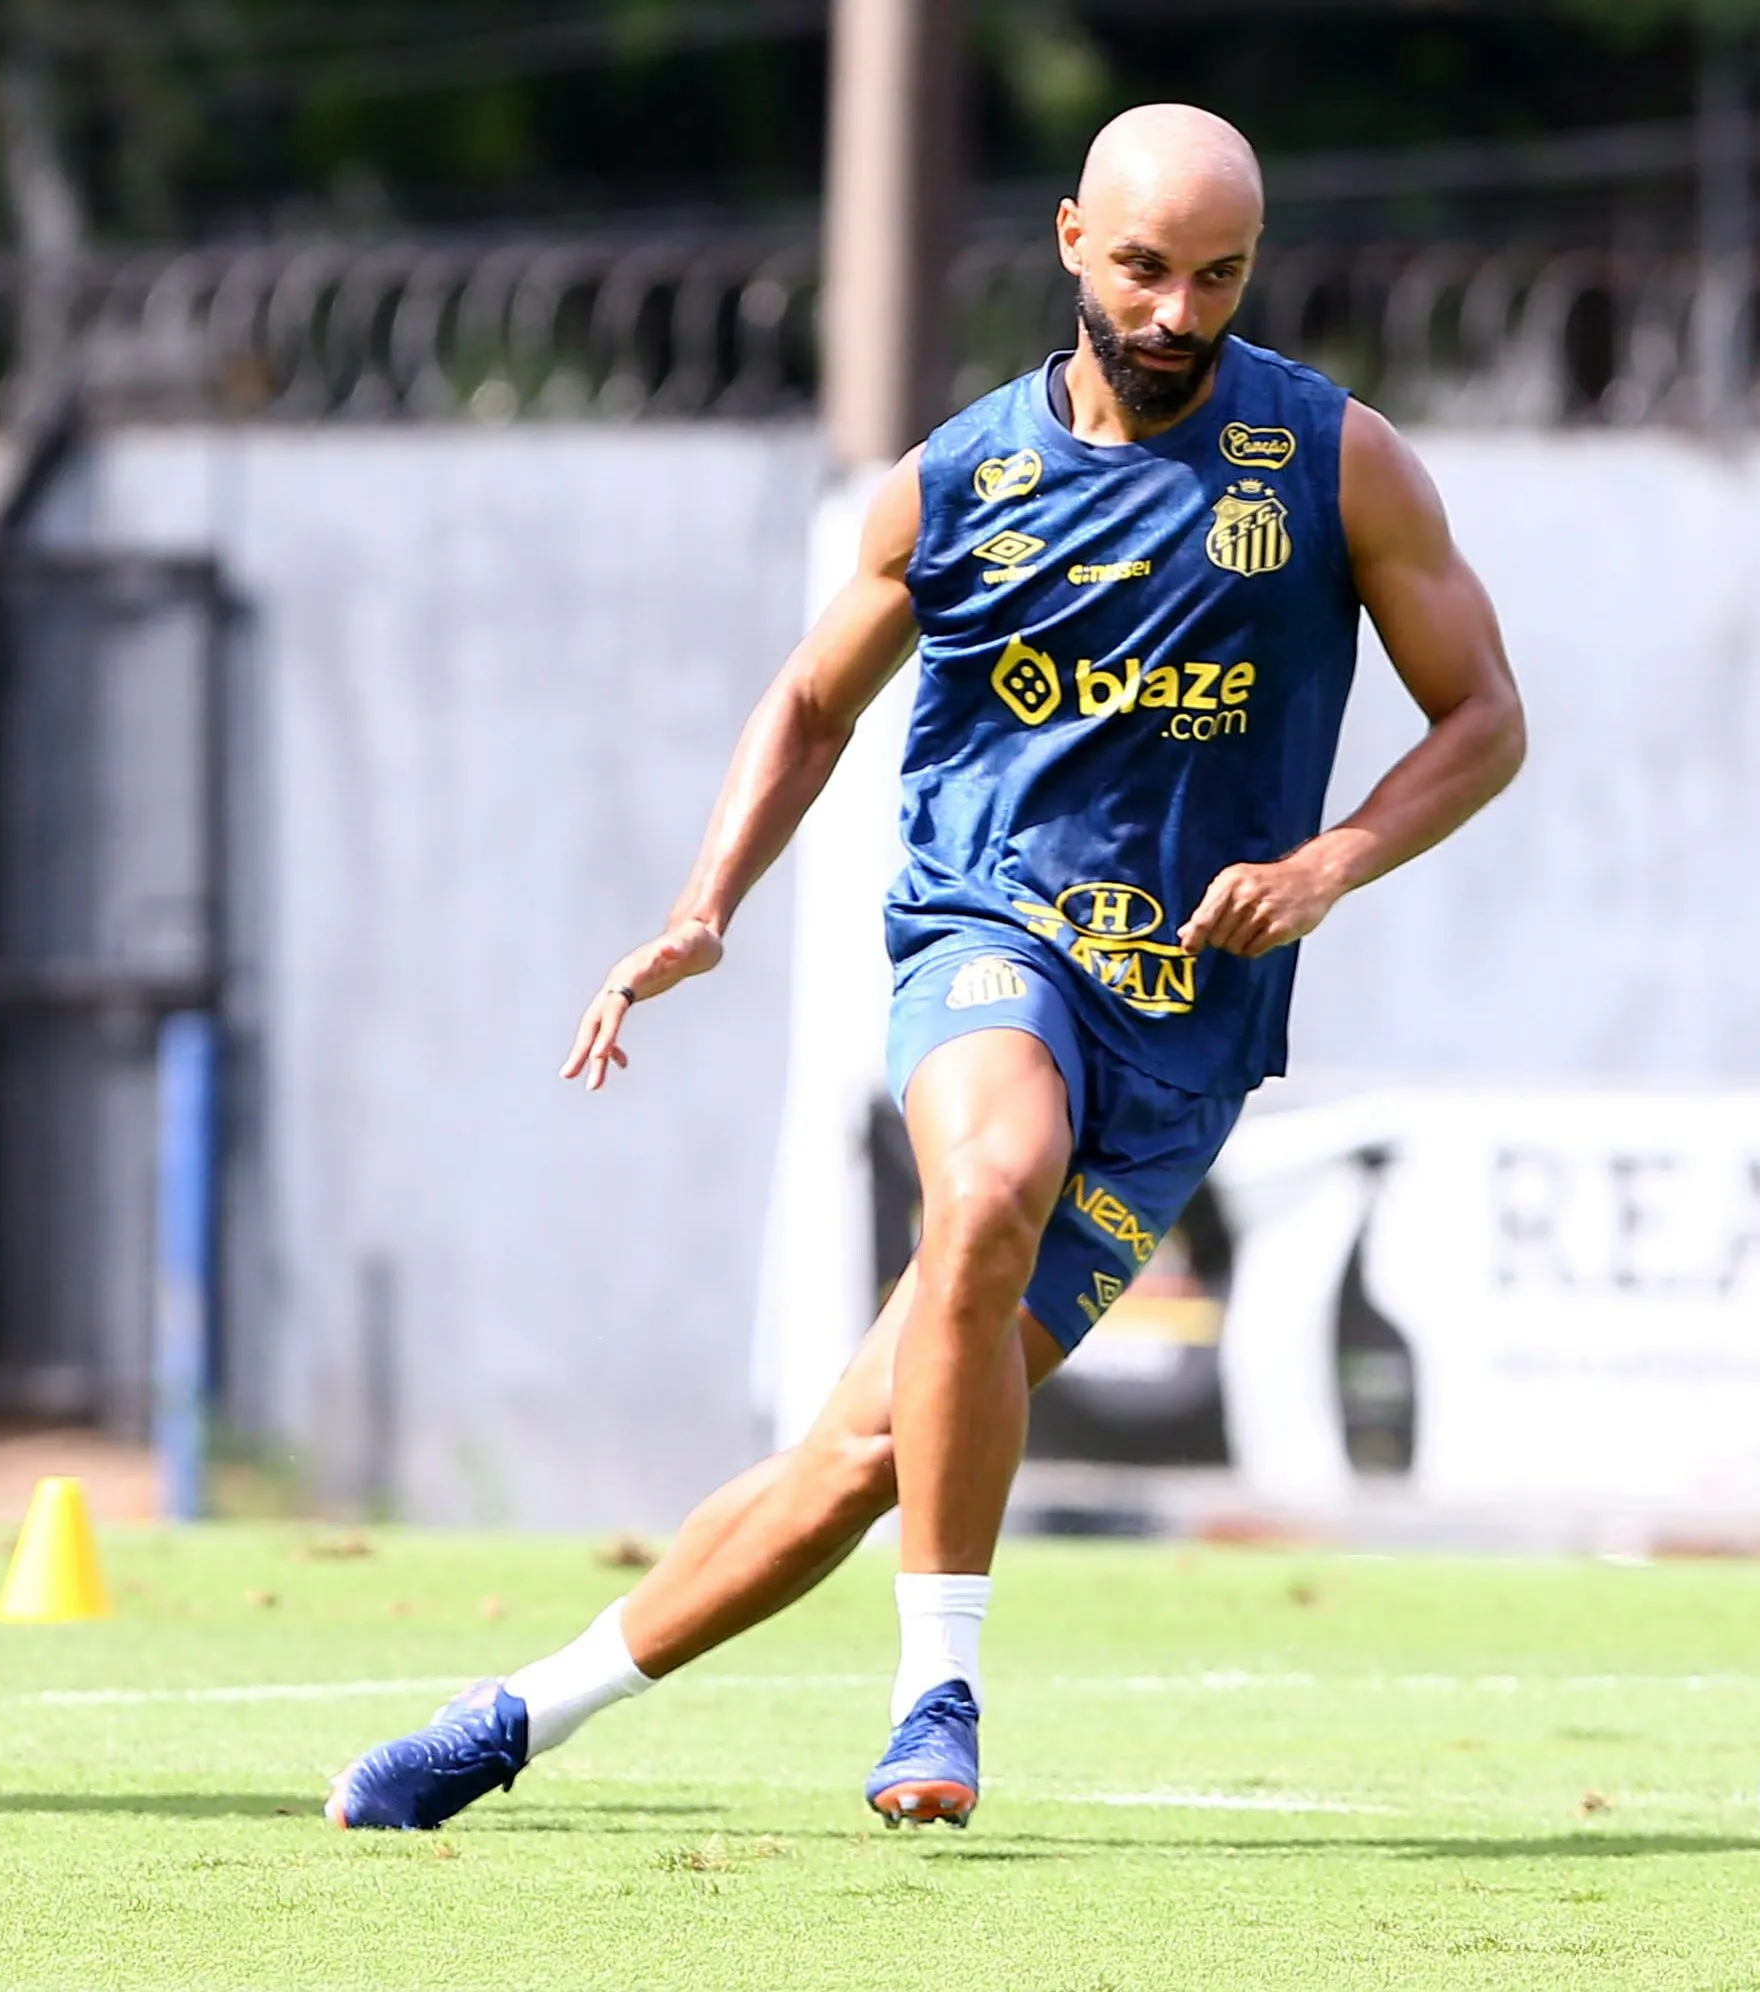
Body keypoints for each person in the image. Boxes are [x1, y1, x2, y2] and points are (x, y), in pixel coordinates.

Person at [327, 104, 1526, 1829]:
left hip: (1182, 1032)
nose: (1176, 314)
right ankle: (936, 1687)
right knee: (986, 1180)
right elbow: (812, 699)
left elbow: (1484, 718)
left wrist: (1328, 861)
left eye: (1217, 277)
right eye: (1143, 269)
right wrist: (705, 905)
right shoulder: (960, 480)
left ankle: (516, 1715)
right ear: (1068, 242)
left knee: (867, 1454)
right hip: (991, 929)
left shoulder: (1336, 463)